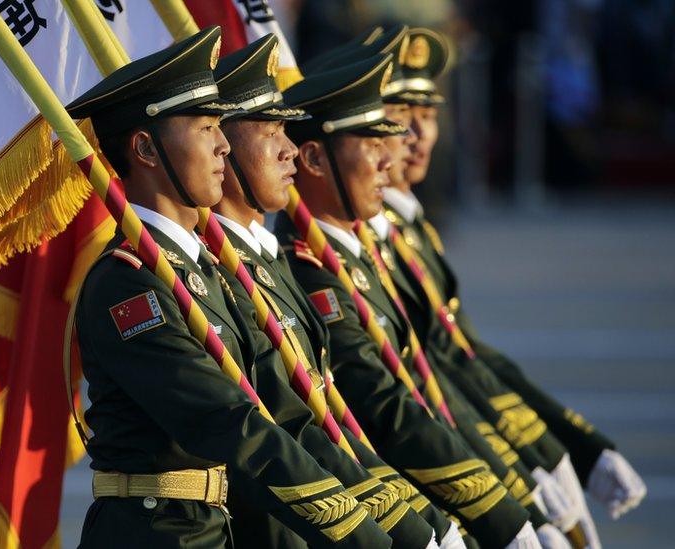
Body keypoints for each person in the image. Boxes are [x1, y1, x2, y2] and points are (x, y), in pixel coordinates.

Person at [65, 27, 390, 548]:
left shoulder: (211, 272)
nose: (223, 144)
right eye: (206, 126)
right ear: (146, 146)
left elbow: (288, 412)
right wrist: (360, 537)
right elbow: (226, 421)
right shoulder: (126, 284)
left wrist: (403, 527)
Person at [304, 27, 578, 549]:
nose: (408, 145)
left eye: (425, 119)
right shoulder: (317, 265)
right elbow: (385, 407)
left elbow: (452, 366)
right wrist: (488, 508)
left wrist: (543, 458)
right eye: (388, 129)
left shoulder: (396, 236)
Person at [381, 26, 646, 545]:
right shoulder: (352, 250)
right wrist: (511, 492)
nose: (417, 136)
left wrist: (572, 446)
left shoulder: (410, 228)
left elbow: (467, 357)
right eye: (397, 119)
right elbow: (416, 390)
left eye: (429, 116)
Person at [206, 33, 450, 549]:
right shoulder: (202, 274)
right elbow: (278, 425)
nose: (288, 149)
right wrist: (396, 529)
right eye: (271, 129)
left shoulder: (265, 262)